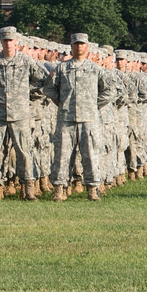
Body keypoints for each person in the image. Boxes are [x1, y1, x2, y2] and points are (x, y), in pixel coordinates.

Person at [0, 26, 52, 199]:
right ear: (1, 42)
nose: (8, 43)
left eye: (11, 40)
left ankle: (28, 189)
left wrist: (27, 92)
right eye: (5, 40)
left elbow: (44, 80)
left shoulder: (26, 61)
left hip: (20, 114)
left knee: (24, 151)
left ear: (16, 42)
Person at [51, 33, 109, 201]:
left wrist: (94, 104)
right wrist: (62, 103)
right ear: (71, 46)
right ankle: (60, 189)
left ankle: (92, 188)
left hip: (88, 119)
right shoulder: (62, 68)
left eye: (82, 44)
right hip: (66, 119)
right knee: (62, 155)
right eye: (76, 44)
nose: (79, 47)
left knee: (90, 155)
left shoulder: (95, 69)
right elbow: (50, 88)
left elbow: (109, 90)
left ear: (87, 46)